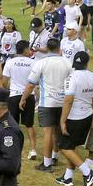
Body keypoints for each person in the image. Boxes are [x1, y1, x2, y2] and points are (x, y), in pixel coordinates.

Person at [20, 37, 71, 174]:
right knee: (58, 131)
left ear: (47, 49)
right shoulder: (67, 63)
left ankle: (47, 163)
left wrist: (23, 98)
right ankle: (55, 156)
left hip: (47, 102)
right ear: (59, 48)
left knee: (48, 132)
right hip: (63, 102)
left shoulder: (42, 63)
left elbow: (31, 84)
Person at [57, 51, 93, 186]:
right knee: (72, 146)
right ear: (87, 63)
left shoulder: (71, 77)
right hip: (87, 115)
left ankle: (88, 173)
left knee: (64, 147)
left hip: (73, 117)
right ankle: (68, 176)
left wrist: (63, 121)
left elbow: (68, 100)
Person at [0, 40, 37, 159]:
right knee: (29, 124)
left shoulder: (10, 62)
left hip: (14, 96)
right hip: (28, 96)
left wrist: (9, 90)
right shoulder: (33, 63)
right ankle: (33, 150)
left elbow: (4, 81)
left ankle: (12, 148)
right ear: (25, 49)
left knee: (12, 124)